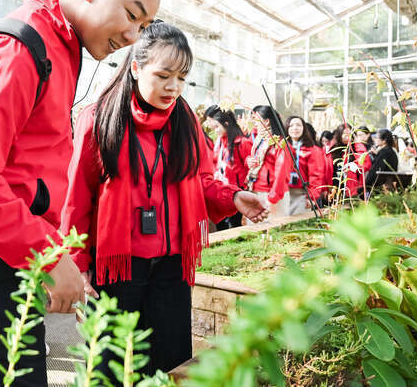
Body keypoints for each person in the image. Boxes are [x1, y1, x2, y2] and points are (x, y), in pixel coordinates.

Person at [0, 0, 170, 386]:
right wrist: (47, 255)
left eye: (143, 26)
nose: (133, 36)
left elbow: (26, 169)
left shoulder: (60, 47)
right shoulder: (17, 49)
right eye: (131, 15)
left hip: (1, 247)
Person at [61, 23, 268, 380]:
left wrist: (234, 197)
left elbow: (201, 179)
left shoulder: (184, 120)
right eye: (163, 75)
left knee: (170, 366)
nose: (173, 87)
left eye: (182, 78)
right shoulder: (99, 117)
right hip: (117, 268)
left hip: (172, 268)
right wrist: (77, 264)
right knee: (111, 367)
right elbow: (78, 197)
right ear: (136, 67)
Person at [203, 105, 252, 230]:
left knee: (235, 225)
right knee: (221, 224)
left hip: (237, 190)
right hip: (223, 188)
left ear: (226, 123)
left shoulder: (242, 142)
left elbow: (250, 167)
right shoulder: (220, 141)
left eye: (216, 127)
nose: (215, 130)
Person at [246, 106, 292, 219]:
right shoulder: (259, 139)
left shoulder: (280, 143)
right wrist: (248, 161)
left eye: (255, 119)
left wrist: (272, 199)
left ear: (266, 121)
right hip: (256, 190)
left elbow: (282, 174)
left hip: (271, 194)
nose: (254, 122)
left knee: (273, 227)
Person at [284, 116, 325, 215]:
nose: (295, 128)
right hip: (283, 193)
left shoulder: (313, 150)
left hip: (301, 194)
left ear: (304, 128)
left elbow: (316, 176)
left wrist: (312, 197)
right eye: (291, 125)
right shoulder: (282, 147)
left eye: (298, 125)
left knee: (297, 222)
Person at [330, 123, 371, 199]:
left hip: (353, 188)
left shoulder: (356, 147)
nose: (347, 135)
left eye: (349, 133)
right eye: (344, 133)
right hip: (335, 186)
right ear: (339, 134)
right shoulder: (334, 149)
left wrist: (352, 168)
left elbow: (365, 164)